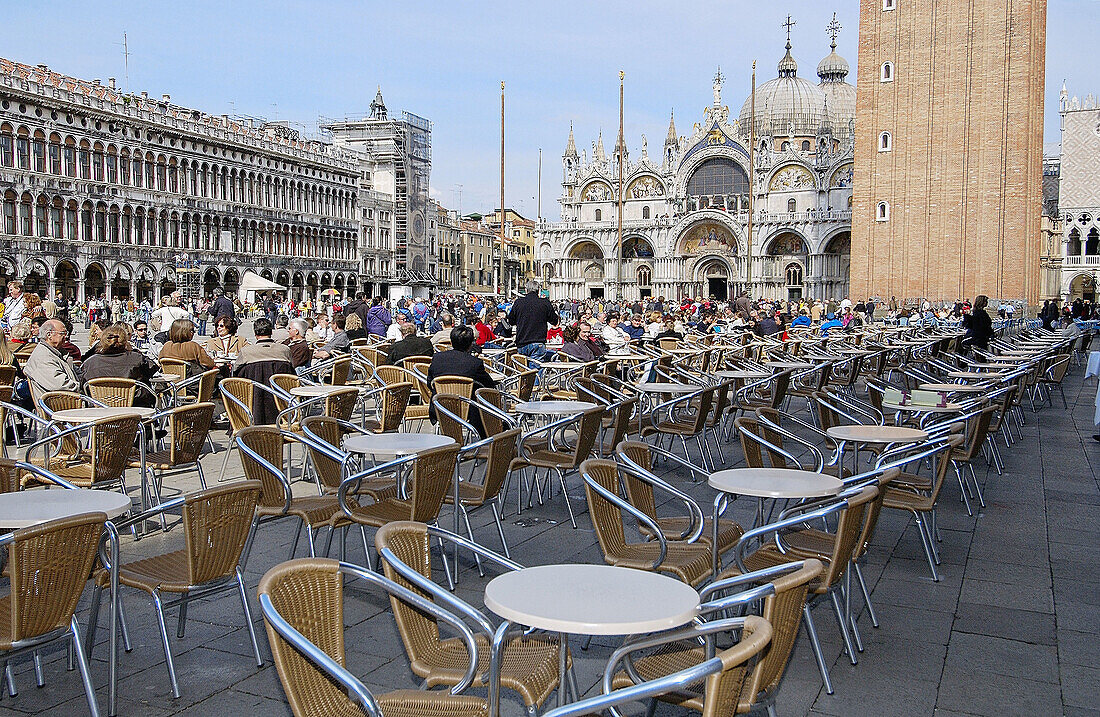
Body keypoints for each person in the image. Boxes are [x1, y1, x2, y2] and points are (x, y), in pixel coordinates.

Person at [427, 326, 496, 437]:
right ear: (470, 344)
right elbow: (489, 386)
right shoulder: (474, 363)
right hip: (468, 410)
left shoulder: (437, 358)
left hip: (440, 407)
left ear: (452, 341)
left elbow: (429, 383)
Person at [233, 317, 293, 425]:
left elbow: (236, 372)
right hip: (281, 398)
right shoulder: (284, 350)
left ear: (255, 333)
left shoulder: (247, 352)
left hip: (254, 398)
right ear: (271, 332)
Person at [82, 323, 159, 407]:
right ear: (125, 341)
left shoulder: (90, 363)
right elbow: (153, 368)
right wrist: (134, 351)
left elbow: (83, 385)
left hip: (100, 410)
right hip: (135, 408)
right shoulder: (136, 358)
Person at [24, 319, 81, 393]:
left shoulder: (56, 352)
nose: (66, 336)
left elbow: (77, 373)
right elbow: (61, 385)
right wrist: (80, 387)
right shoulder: (43, 357)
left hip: (68, 399)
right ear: (49, 335)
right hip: (59, 402)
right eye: (62, 333)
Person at [508, 280, 559, 362]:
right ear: (538, 291)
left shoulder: (518, 303)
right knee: (535, 371)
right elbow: (554, 321)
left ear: (526, 290)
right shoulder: (545, 303)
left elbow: (511, 321)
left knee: (523, 370)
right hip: (537, 342)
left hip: (522, 342)